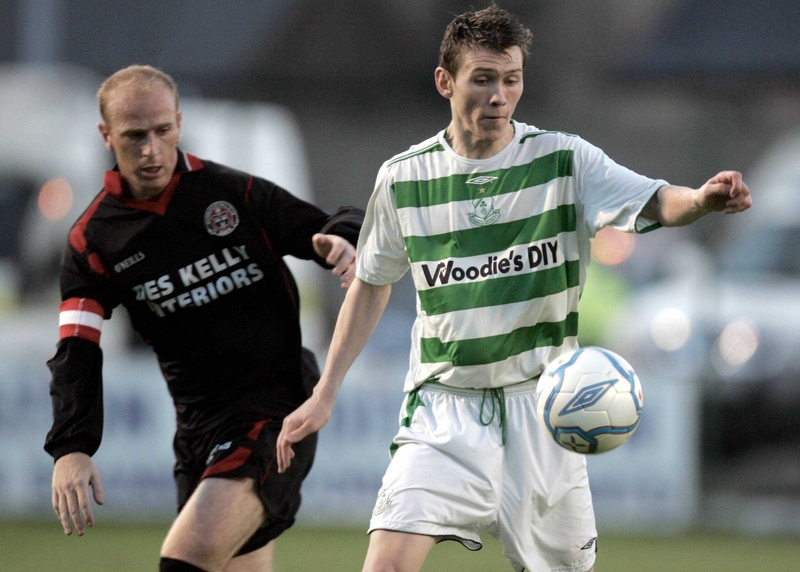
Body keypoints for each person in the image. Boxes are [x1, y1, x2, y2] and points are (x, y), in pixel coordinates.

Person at [276, 4, 752, 572]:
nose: (499, 95)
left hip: (545, 414)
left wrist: (700, 200)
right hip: (444, 410)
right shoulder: (404, 178)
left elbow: (654, 199)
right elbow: (372, 283)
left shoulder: (563, 159)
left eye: (511, 79)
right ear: (445, 82)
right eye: (483, 79)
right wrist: (326, 392)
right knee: (385, 565)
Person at [44, 64, 363, 572]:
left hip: (274, 411)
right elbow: (77, 350)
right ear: (106, 136)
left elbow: (327, 224)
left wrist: (342, 236)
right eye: (134, 136)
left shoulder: (231, 194)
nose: (151, 149)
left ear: (179, 122)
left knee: (183, 560)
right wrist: (72, 447)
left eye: (162, 131)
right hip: (197, 431)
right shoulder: (93, 241)